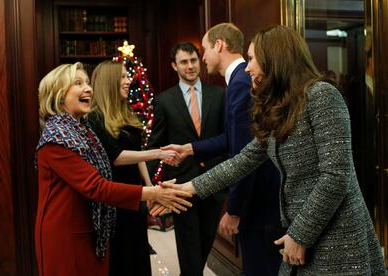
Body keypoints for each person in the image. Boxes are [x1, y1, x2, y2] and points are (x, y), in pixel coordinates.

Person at [162, 26, 388, 275]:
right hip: (299, 234)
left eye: (251, 59)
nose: (247, 67)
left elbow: (336, 176)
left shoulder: (322, 95)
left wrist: (300, 234)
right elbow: (244, 160)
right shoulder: (280, 107)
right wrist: (189, 188)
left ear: (275, 58)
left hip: (336, 236)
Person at [35, 62, 192, 276]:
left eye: (88, 83)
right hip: (68, 236)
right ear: (59, 95)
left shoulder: (83, 129)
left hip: (91, 229)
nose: (89, 89)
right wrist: (153, 193)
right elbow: (97, 187)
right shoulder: (57, 139)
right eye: (78, 83)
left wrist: (149, 189)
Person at [163, 23, 281, 275]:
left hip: (258, 202)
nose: (203, 57)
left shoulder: (239, 82)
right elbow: (232, 138)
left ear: (219, 45)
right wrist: (190, 148)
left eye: (204, 49)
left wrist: (235, 209)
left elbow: (244, 154)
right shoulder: (238, 80)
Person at [88, 60, 178, 276]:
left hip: (136, 196)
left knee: (137, 253)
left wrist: (149, 189)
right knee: (122, 256)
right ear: (109, 82)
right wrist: (158, 153)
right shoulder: (94, 117)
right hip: (114, 199)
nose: (129, 80)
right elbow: (117, 157)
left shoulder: (126, 112)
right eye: (123, 77)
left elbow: (137, 157)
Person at [146, 41, 225, 276]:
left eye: (193, 60)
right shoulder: (164, 100)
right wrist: (150, 187)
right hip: (181, 184)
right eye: (183, 62)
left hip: (214, 180)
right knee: (188, 244)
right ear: (174, 66)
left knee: (206, 239)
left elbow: (226, 138)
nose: (190, 66)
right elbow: (155, 146)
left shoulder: (219, 95)